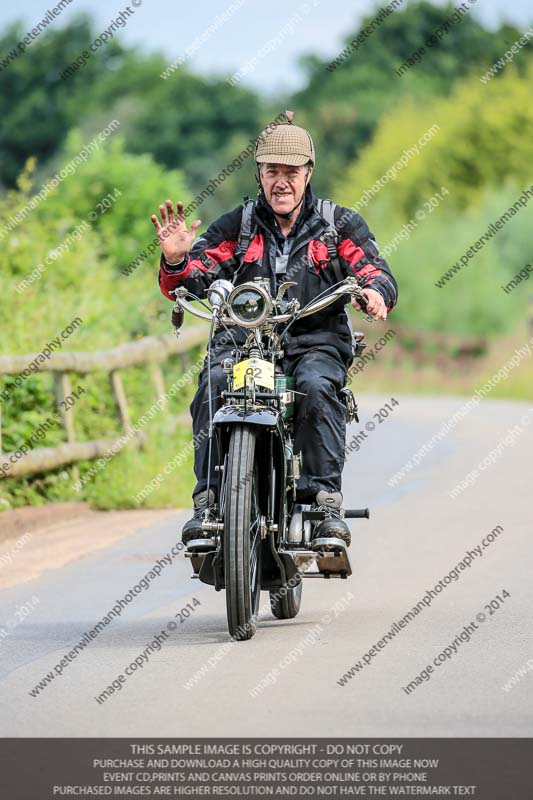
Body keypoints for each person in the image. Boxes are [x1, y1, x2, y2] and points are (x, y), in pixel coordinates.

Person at [152, 111, 398, 548]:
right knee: (212, 381)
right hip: (243, 339)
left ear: (308, 173)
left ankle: (323, 505)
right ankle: (208, 503)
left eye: (291, 172)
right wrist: (175, 260)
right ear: (259, 175)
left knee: (316, 386)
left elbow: (375, 270)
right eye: (272, 172)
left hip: (316, 340)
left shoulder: (338, 225)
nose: (281, 182)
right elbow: (193, 281)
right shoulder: (237, 226)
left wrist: (373, 292)